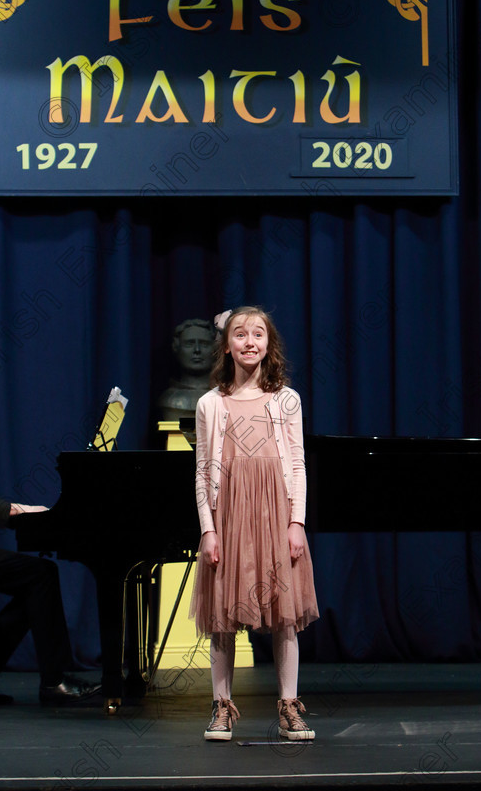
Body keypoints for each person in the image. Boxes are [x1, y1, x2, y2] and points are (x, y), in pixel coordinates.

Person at [190, 307, 319, 742]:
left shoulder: (287, 399)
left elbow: (298, 465)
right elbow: (203, 471)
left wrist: (296, 522)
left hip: (274, 516)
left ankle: (288, 705)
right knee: (223, 614)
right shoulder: (210, 403)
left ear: (269, 343)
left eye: (258, 334)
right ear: (227, 344)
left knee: (284, 615)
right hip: (229, 517)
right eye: (240, 334)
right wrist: (209, 529)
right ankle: (222, 707)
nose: (249, 342)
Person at [0, 339, 99, 706]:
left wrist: (15, 507)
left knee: (37, 581)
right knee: (40, 576)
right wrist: (11, 513)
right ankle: (51, 681)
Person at [158, 319, 216, 422]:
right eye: (189, 344)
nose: (197, 350)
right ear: (176, 348)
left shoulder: (225, 398)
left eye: (204, 344)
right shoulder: (169, 399)